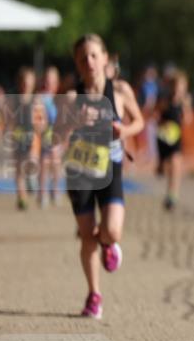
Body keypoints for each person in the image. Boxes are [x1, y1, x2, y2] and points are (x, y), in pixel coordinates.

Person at [53, 34, 144, 319]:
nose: (89, 62)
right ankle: (94, 295)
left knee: (112, 230)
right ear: (77, 65)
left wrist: (123, 131)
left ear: (105, 58)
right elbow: (55, 137)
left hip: (110, 168)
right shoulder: (71, 97)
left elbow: (139, 121)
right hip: (79, 172)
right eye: (83, 58)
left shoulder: (120, 91)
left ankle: (108, 244)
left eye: (94, 55)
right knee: (86, 237)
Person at [156, 71, 193, 211]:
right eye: (176, 85)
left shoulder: (185, 101)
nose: (179, 88)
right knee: (166, 167)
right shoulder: (165, 100)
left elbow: (188, 120)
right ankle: (160, 166)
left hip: (176, 137)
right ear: (172, 86)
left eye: (182, 86)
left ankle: (172, 195)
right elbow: (158, 116)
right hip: (163, 137)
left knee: (176, 165)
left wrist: (185, 106)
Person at [9, 68, 45, 210]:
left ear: (33, 82)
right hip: (18, 136)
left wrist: (39, 126)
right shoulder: (14, 100)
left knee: (31, 160)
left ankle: (31, 178)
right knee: (18, 168)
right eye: (24, 81)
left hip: (32, 137)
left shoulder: (36, 100)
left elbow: (42, 120)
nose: (26, 84)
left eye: (29, 81)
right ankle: (21, 198)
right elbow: (10, 119)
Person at [37, 66, 62, 207]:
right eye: (47, 80)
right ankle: (42, 192)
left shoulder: (58, 98)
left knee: (56, 162)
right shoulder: (40, 97)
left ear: (57, 83)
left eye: (52, 81)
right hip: (44, 134)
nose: (48, 84)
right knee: (44, 163)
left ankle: (55, 190)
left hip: (56, 134)